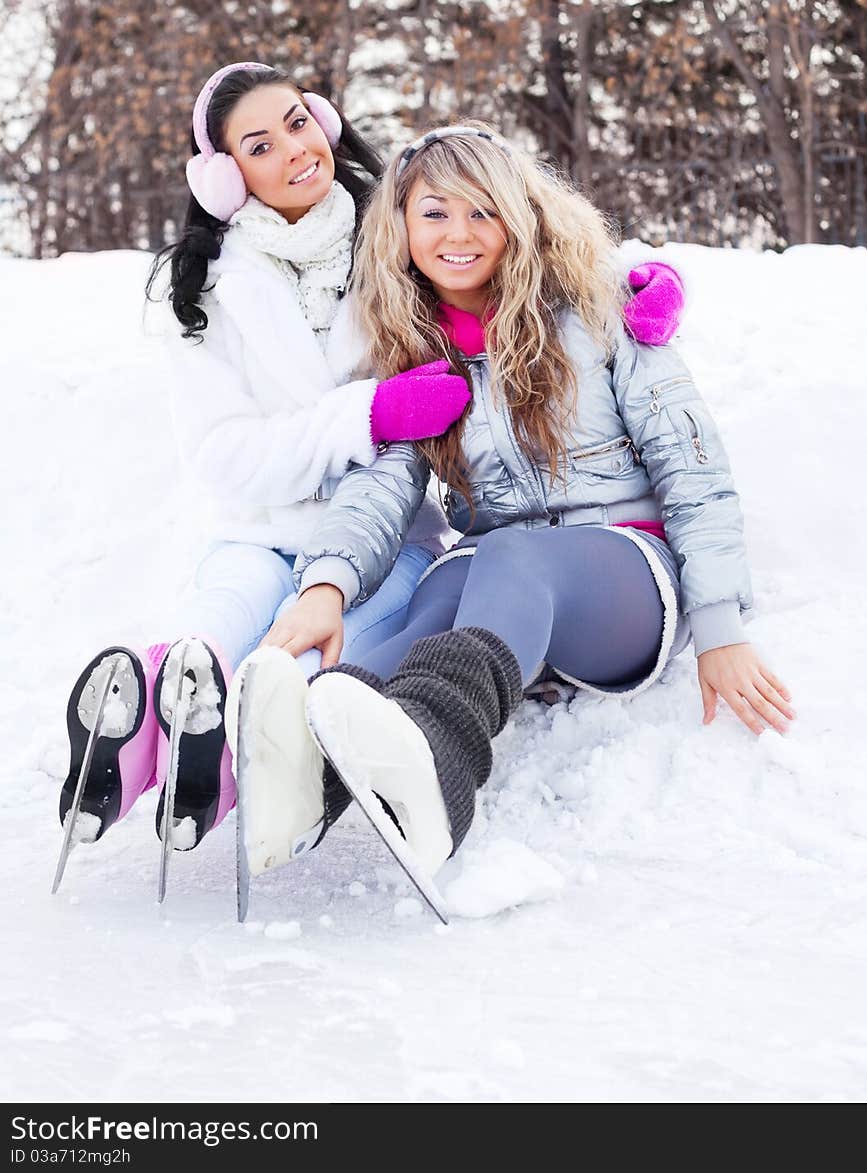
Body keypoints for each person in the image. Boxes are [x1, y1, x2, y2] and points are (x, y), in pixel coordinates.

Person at [57, 70, 687, 873]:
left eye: (297, 123)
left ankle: (431, 754)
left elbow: (690, 467)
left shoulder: (402, 255)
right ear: (224, 176)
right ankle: (203, 744)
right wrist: (363, 448)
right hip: (281, 529)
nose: (293, 149)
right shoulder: (334, 304)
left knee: (399, 613)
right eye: (260, 145)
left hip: (589, 555)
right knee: (272, 641)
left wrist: (726, 625)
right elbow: (377, 464)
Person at [232, 123, 793, 890]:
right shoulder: (416, 350)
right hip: (500, 588)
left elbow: (692, 465)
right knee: (428, 606)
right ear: (401, 224)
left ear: (518, 217)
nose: (457, 234)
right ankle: (306, 778)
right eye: (434, 213)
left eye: (481, 211)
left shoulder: (603, 312)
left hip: (621, 575)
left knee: (505, 552)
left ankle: (442, 767)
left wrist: (721, 625)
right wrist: (325, 584)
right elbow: (380, 487)